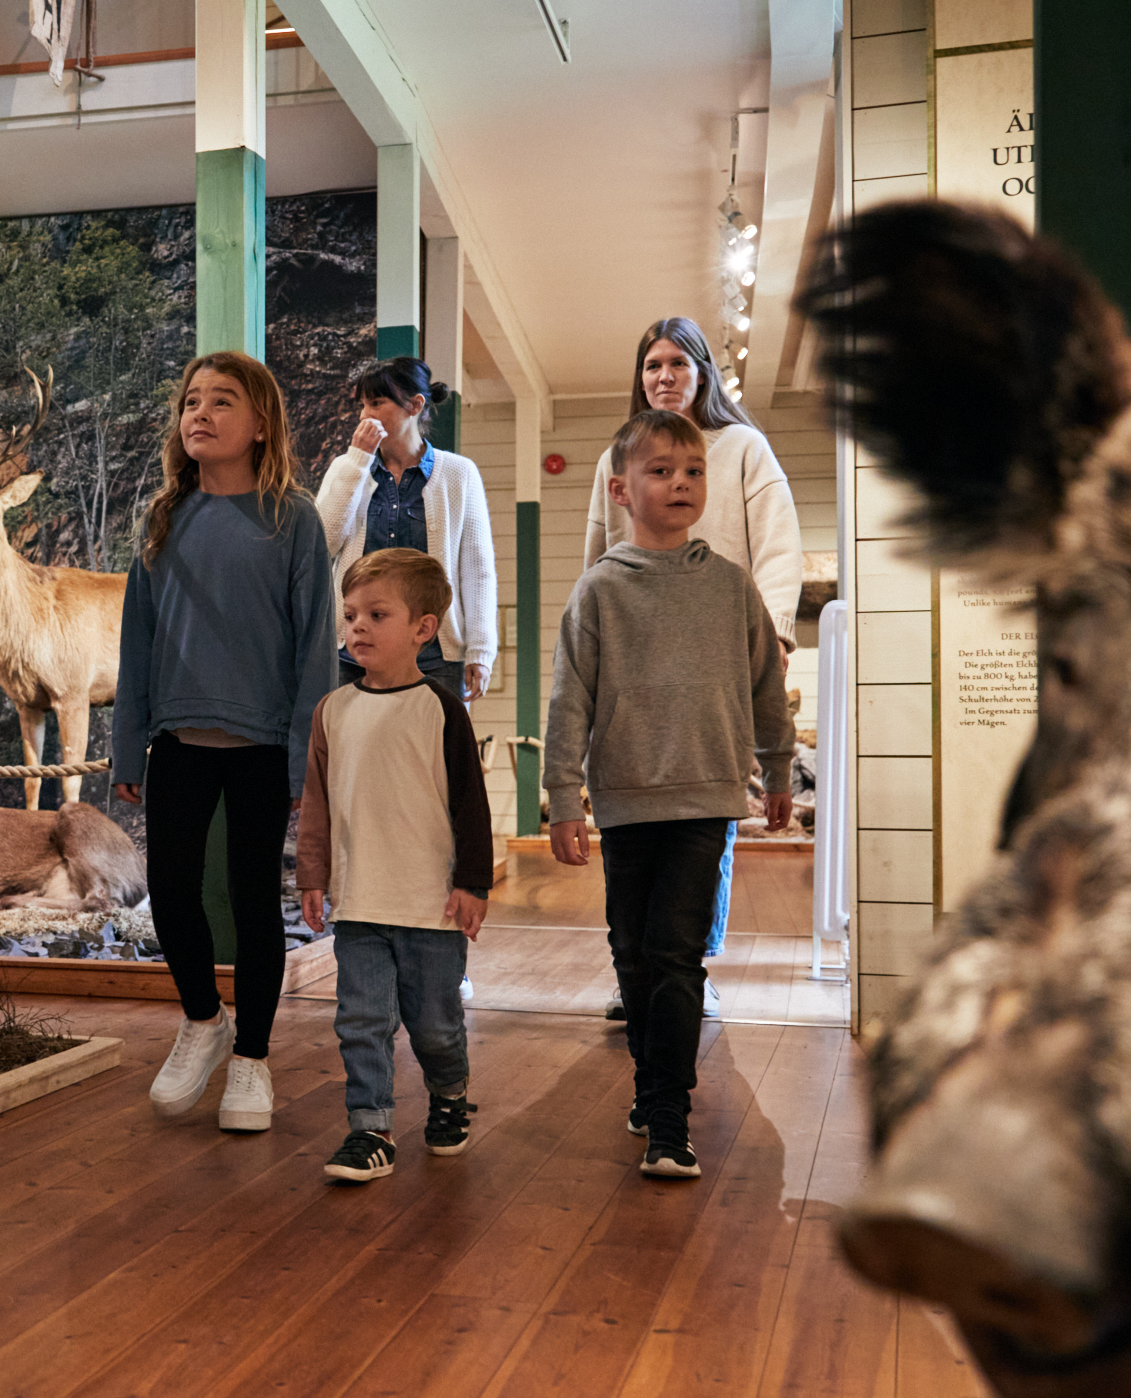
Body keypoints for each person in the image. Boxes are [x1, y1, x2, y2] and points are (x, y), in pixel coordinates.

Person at [543, 409, 793, 1180]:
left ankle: (667, 1114)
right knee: (633, 953)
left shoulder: (729, 587)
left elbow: (766, 686)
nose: (680, 482)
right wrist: (562, 796)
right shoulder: (598, 592)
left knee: (678, 955)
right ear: (621, 489)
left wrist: (778, 767)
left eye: (692, 471)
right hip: (624, 798)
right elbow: (569, 702)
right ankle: (652, 1082)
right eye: (661, 471)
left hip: (705, 798)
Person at [113, 351, 339, 1135]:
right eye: (191, 403)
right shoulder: (162, 517)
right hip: (176, 739)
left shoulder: (294, 519)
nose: (200, 414)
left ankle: (252, 1058)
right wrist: (125, 745)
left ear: (261, 423)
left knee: (251, 903)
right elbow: (135, 641)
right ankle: (203, 1022)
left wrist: (299, 755)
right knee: (170, 893)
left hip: (260, 748)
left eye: (221, 402)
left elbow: (315, 646)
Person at [579, 318, 802, 1018]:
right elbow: (596, 554)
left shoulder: (743, 449)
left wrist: (772, 641)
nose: (665, 376)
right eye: (652, 365)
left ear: (704, 371)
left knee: (710, 815)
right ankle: (638, 966)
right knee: (636, 821)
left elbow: (777, 547)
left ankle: (686, 969)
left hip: (720, 663)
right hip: (636, 668)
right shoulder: (615, 459)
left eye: (678, 363)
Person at [297, 548, 492, 1183]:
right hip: (359, 907)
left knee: (435, 1026)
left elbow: (470, 807)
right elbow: (318, 805)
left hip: (431, 908)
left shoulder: (441, 710)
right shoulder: (333, 711)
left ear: (423, 628)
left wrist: (473, 884)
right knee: (361, 1021)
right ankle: (370, 1128)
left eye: (376, 614)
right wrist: (313, 875)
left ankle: (450, 1095)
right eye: (350, 614)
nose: (356, 627)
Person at [315, 359, 499, 704]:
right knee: (351, 753)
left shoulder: (459, 473)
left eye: (377, 403)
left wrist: (480, 649)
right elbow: (322, 542)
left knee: (434, 755)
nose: (364, 415)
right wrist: (357, 460)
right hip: (353, 654)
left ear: (415, 405)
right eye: (363, 404)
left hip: (436, 655)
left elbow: (478, 569)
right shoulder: (347, 467)